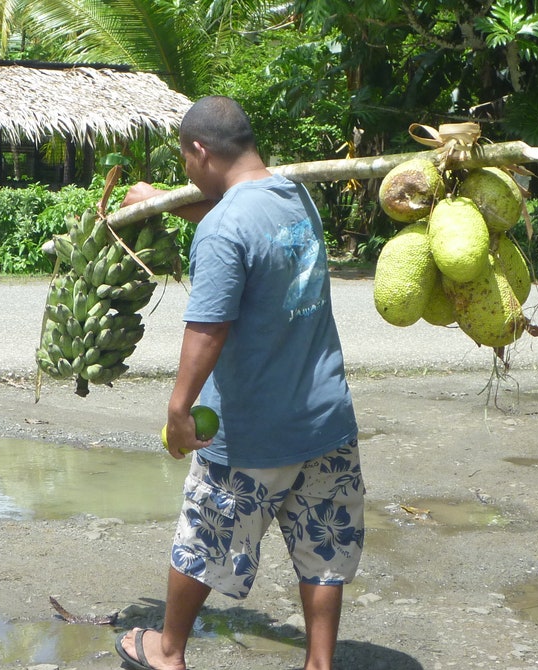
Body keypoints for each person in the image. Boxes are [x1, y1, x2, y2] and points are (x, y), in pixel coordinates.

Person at [115, 95, 363, 670]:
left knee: (204, 537)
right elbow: (244, 234)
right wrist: (162, 203)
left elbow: (209, 325)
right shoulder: (295, 195)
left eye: (184, 161)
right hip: (327, 420)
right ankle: (319, 663)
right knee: (322, 546)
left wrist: (179, 408)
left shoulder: (225, 226)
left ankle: (168, 651)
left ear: (199, 151)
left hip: (252, 431)